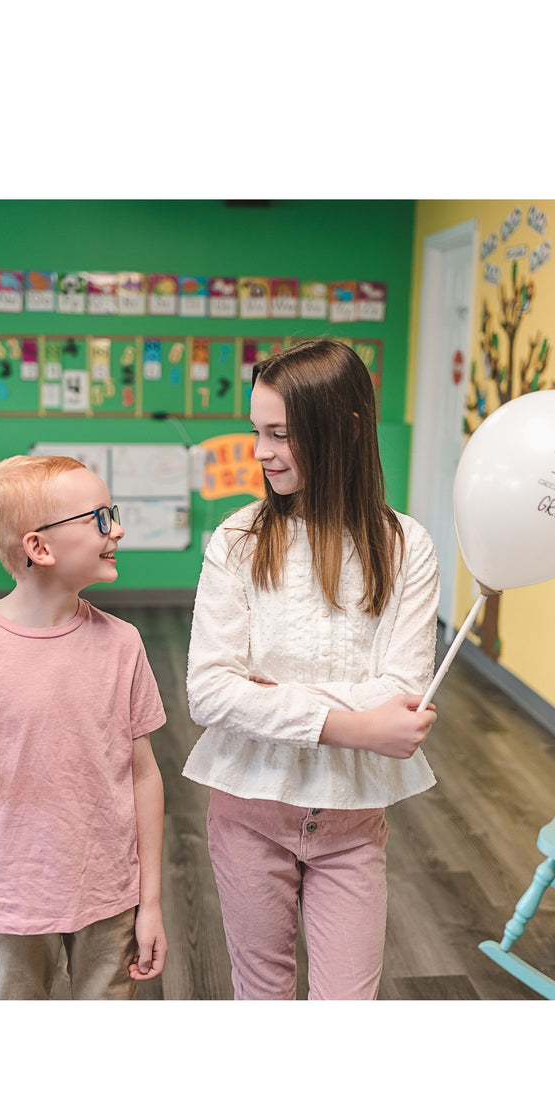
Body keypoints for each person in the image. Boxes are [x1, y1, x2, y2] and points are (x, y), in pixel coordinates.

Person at [184, 338, 441, 1000]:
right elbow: (210, 694)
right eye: (256, 432)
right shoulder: (238, 540)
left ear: (345, 428)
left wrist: (268, 696)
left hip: (350, 820)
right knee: (261, 993)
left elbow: (401, 690)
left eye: (280, 434)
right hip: (247, 810)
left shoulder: (406, 545)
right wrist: (354, 725)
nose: (261, 452)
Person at [0, 454, 168, 1000]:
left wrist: (151, 903)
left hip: (108, 893)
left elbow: (145, 776)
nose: (116, 529)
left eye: (112, 513)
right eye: (98, 519)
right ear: (39, 547)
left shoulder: (123, 644)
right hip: (7, 897)